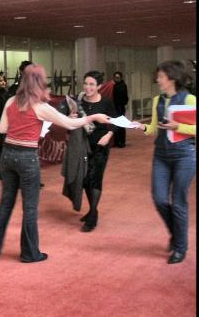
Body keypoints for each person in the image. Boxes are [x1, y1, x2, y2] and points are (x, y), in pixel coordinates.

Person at [0, 64, 111, 263]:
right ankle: (29, 253)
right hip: (27, 156)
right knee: (30, 207)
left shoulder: (11, 101)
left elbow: (1, 129)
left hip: (7, 155)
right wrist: (93, 117)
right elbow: (69, 124)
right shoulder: (40, 106)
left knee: (6, 201)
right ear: (39, 84)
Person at [132, 60, 196, 264]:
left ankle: (180, 247)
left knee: (178, 203)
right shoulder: (157, 100)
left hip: (184, 155)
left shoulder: (190, 100)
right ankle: (176, 233)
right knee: (159, 198)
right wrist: (140, 127)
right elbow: (153, 128)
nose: (157, 80)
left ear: (172, 77)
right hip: (161, 154)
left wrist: (179, 127)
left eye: (160, 76)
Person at [73, 71, 118, 232]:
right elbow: (73, 122)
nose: (88, 87)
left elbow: (115, 122)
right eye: (86, 83)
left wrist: (109, 134)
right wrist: (72, 117)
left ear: (99, 86)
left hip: (100, 145)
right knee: (85, 179)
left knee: (95, 178)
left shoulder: (106, 102)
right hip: (82, 145)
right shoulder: (78, 102)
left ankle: (92, 216)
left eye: (92, 84)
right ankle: (93, 209)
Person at [112, 71, 129, 148]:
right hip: (115, 108)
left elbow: (125, 98)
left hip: (120, 108)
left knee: (121, 125)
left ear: (121, 78)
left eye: (118, 77)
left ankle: (122, 142)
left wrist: (122, 104)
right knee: (115, 124)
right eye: (115, 77)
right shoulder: (114, 86)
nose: (116, 79)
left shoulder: (123, 86)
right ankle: (116, 141)